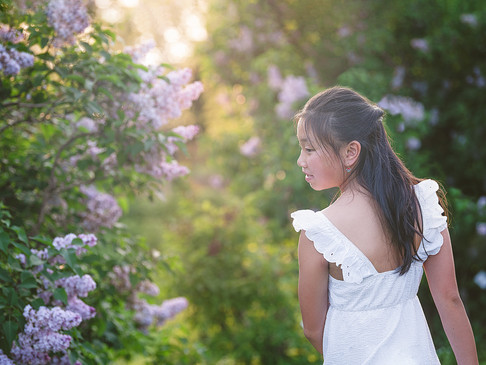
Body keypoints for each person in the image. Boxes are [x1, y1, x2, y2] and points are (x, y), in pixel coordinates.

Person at [290, 86, 478, 364]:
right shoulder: (422, 205)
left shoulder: (319, 234)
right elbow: (449, 299)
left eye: (309, 149)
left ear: (351, 152)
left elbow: (314, 330)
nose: (300, 160)